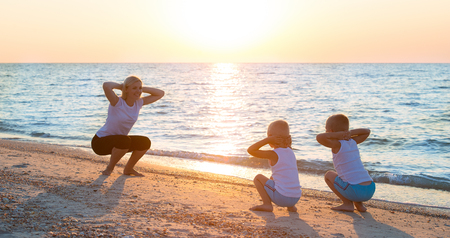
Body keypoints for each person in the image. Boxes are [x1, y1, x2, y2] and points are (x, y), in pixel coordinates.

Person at [91, 75, 164, 177]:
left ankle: (128, 169)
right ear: (126, 89)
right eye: (134, 88)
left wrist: (141, 88)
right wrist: (122, 86)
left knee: (145, 142)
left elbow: (160, 93)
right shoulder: (117, 102)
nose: (138, 91)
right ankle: (110, 168)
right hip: (100, 142)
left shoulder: (138, 103)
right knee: (124, 141)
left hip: (120, 142)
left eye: (139, 88)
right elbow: (106, 85)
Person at [316, 114, 375, 212]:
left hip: (355, 191)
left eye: (326, 130)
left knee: (328, 175)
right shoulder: (353, 141)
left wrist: (339, 135)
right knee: (352, 178)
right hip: (370, 188)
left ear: (330, 132)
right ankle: (360, 205)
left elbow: (319, 137)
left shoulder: (336, 144)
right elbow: (366, 132)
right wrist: (348, 133)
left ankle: (347, 204)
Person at [247, 120, 302, 212]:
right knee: (274, 177)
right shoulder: (290, 151)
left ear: (270, 137)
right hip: (296, 197)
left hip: (282, 197)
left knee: (258, 178)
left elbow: (251, 150)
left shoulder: (273, 154)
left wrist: (267, 140)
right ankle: (291, 207)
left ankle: (267, 204)